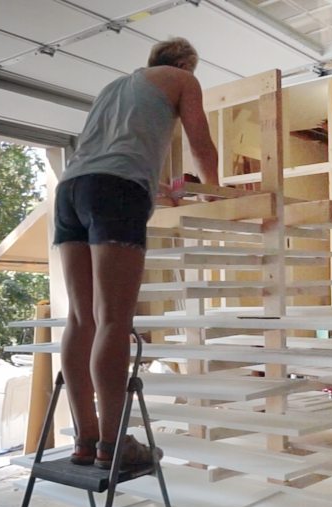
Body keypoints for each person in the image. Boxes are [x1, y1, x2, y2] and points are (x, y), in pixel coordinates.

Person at [53, 37, 218, 468]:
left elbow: (107, 151)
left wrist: (152, 187)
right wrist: (214, 188)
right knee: (113, 320)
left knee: (80, 318)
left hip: (72, 189)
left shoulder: (115, 88)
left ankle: (86, 440)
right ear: (186, 62)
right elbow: (200, 138)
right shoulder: (182, 78)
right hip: (115, 190)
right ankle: (114, 446)